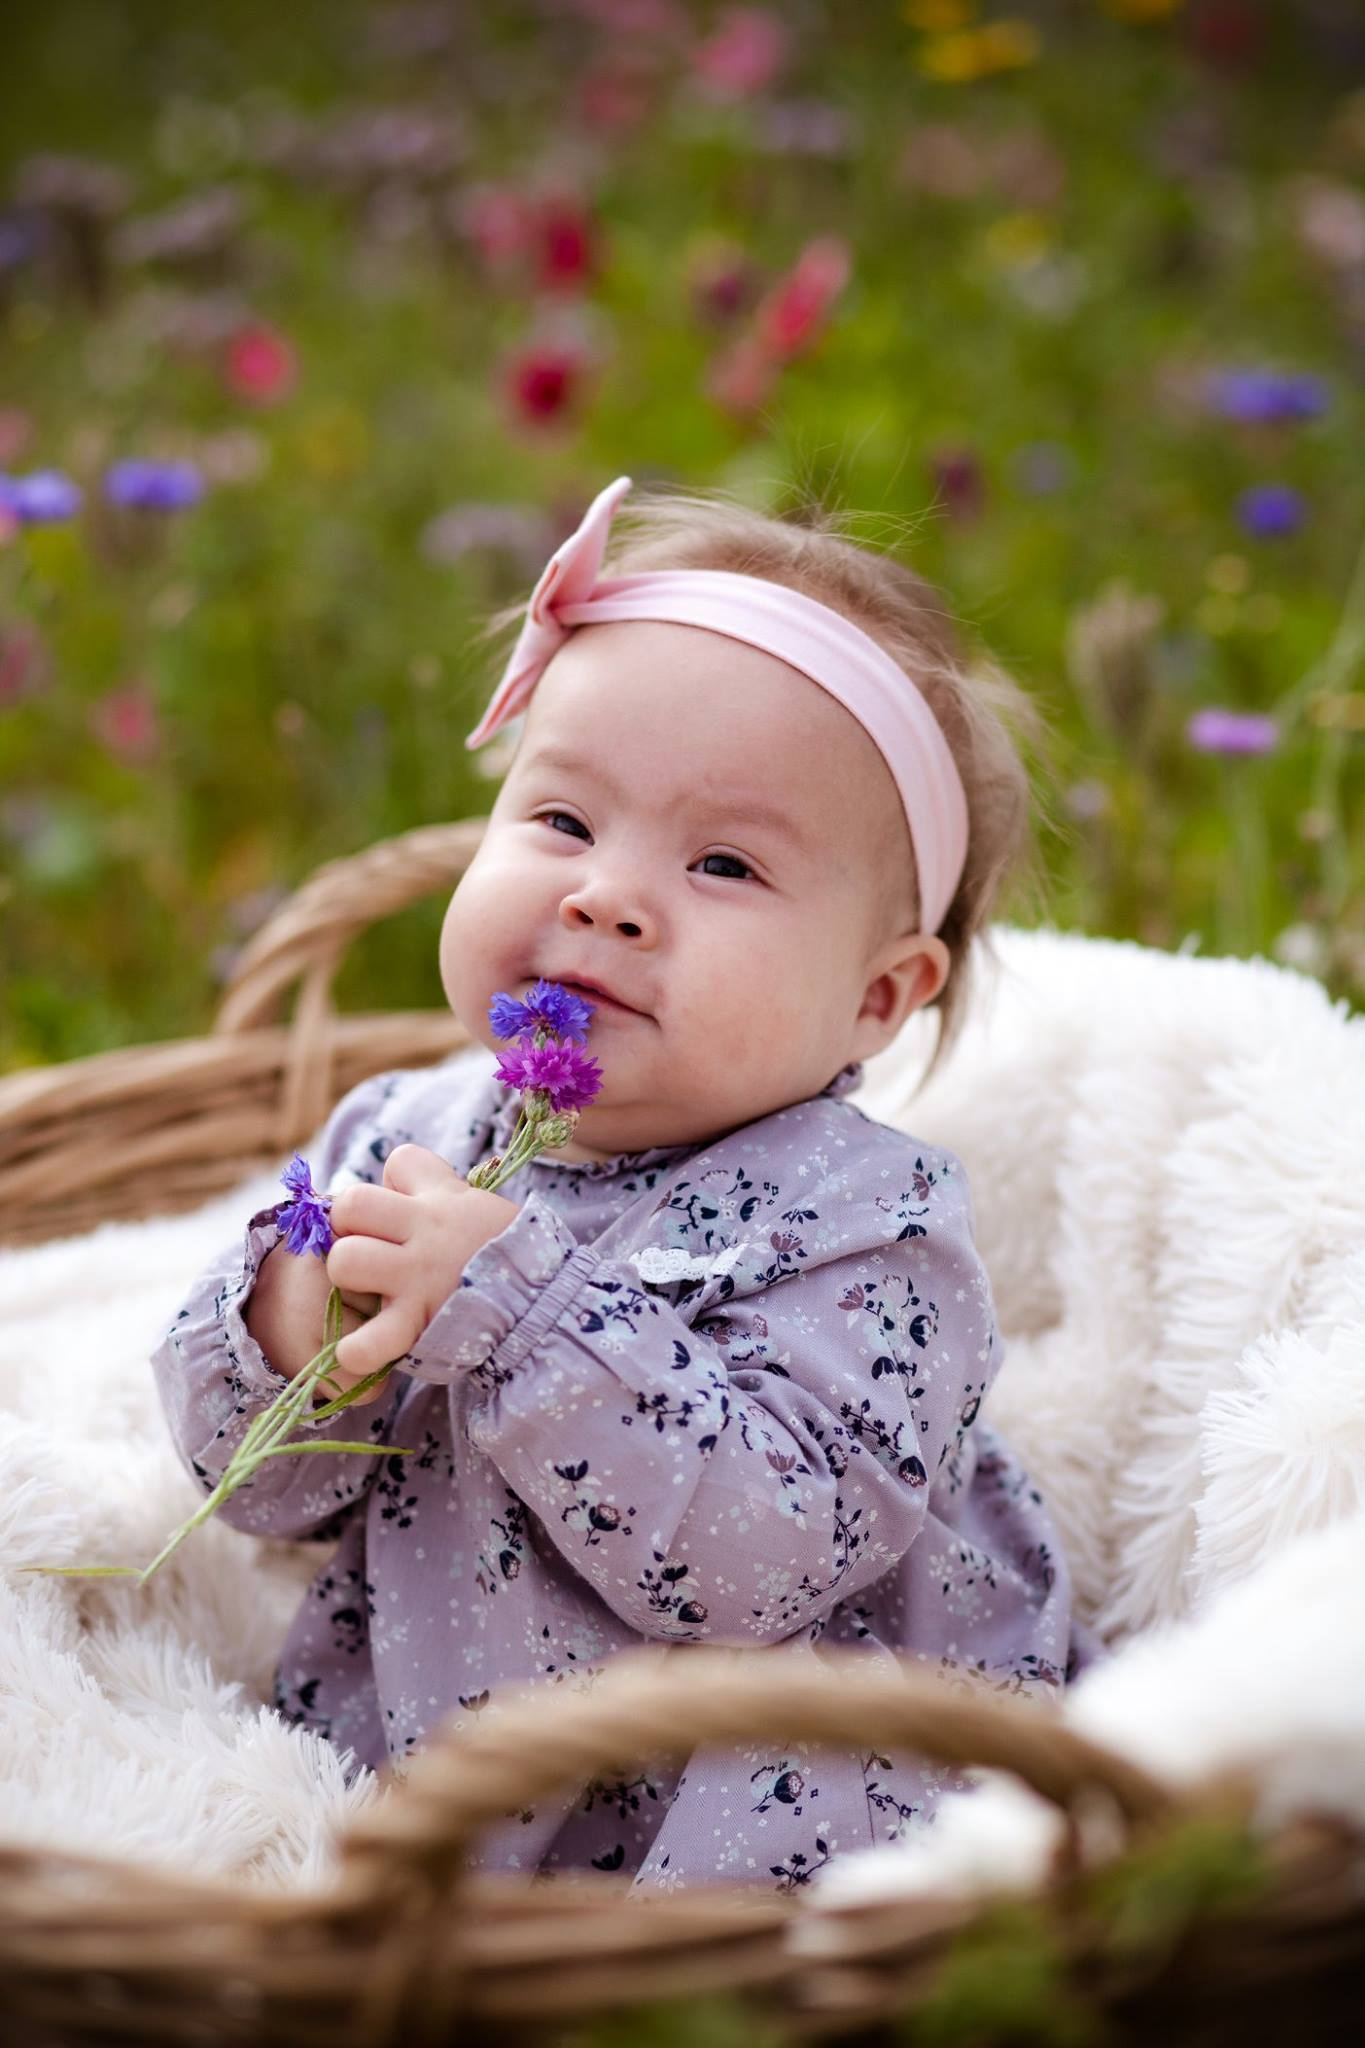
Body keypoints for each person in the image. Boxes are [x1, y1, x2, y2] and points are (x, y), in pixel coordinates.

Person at [150, 473, 1102, 1895]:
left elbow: (762, 1562)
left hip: (762, 1804)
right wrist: (289, 1331)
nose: (604, 895)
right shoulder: (408, 1130)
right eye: (562, 820)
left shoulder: (865, 1224)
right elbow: (260, 1498)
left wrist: (517, 1311)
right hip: (442, 1765)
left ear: (875, 997)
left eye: (721, 862)